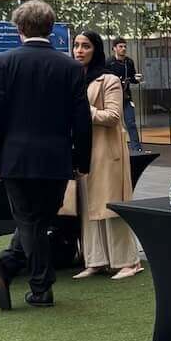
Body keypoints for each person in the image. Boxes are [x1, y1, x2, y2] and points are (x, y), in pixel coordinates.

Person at [0, 0, 91, 310]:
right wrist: (83, 160)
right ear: (52, 28)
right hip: (56, 159)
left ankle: (33, 281)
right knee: (38, 219)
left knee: (30, 220)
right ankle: (13, 268)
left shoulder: (3, 63)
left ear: (19, 30)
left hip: (14, 159)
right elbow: (81, 119)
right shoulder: (70, 66)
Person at [69, 30, 142, 281]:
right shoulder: (74, 78)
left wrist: (82, 109)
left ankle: (128, 262)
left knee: (110, 205)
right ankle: (96, 260)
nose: (79, 50)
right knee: (88, 206)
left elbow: (113, 117)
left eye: (85, 46)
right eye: (76, 45)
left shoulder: (108, 80)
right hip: (83, 150)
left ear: (96, 50)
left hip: (106, 151)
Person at [107, 37, 142, 153]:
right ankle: (113, 149)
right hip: (113, 98)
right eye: (120, 46)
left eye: (125, 46)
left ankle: (136, 149)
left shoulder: (129, 62)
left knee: (131, 122)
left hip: (126, 97)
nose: (123, 49)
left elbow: (132, 78)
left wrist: (136, 79)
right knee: (112, 124)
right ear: (114, 48)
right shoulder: (109, 63)